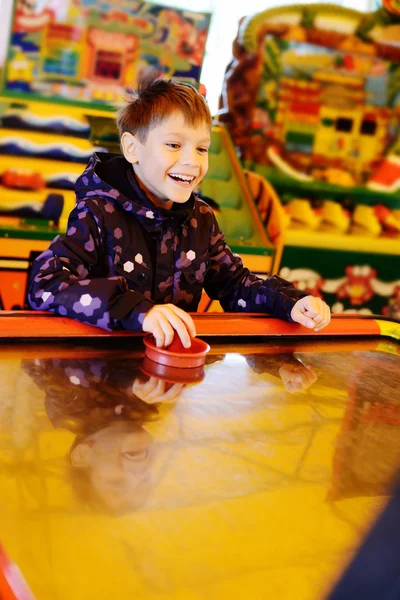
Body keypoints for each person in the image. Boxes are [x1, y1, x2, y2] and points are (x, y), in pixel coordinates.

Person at [28, 74, 331, 348]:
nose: (192, 161)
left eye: (201, 149)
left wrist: (289, 303)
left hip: (171, 377)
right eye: (174, 145)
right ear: (132, 149)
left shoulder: (201, 220)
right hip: (100, 373)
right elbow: (46, 282)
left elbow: (235, 285)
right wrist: (135, 309)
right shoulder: (98, 212)